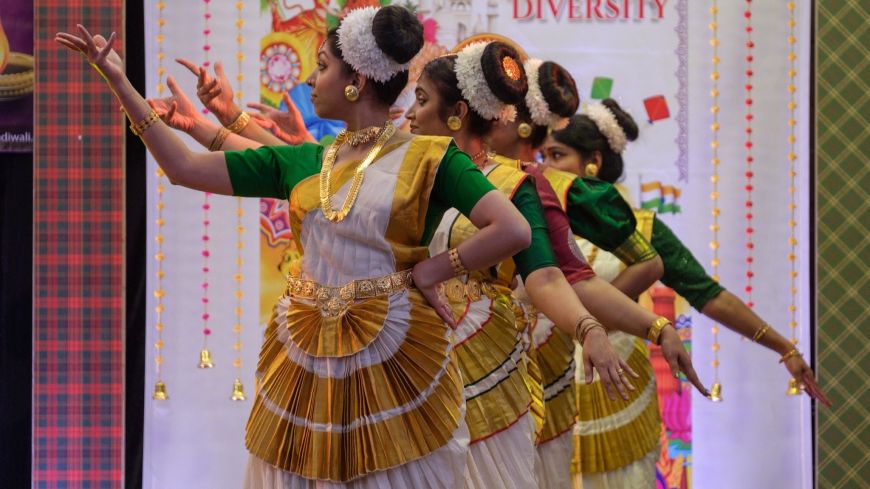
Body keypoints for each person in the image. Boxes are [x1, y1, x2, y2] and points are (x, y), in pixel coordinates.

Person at [56, 7, 538, 488]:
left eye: (323, 66)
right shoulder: (309, 161)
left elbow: (512, 230)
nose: (312, 78)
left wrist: (434, 270)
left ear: (358, 81)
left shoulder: (430, 158)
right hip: (307, 350)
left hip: (393, 353)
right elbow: (184, 168)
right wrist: (122, 85)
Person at [541, 98, 832, 488]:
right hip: (544, 388)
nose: (545, 168)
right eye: (542, 156)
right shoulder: (533, 219)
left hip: (618, 395)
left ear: (592, 160)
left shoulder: (638, 230)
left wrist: (784, 348)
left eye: (557, 156)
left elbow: (706, 293)